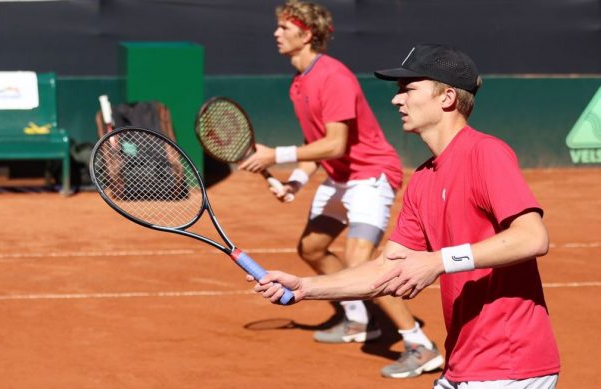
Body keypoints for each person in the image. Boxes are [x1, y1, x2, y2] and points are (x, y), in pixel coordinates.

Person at [249, 43, 561, 388]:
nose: (397, 100)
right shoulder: (424, 179)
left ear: (446, 99)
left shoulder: (485, 153)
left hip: (509, 367)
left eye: (409, 89)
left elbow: (533, 237)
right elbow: (386, 268)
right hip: (465, 364)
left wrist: (438, 261)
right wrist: (306, 287)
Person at [238, 0, 443, 378]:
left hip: (370, 175)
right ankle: (360, 319)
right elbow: (314, 142)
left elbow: (335, 144)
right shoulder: (299, 84)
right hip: (340, 177)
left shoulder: (332, 76)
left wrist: (274, 156)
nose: (276, 33)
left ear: (307, 33)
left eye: (285, 27)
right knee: (312, 248)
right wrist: (295, 182)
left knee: (360, 261)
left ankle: (419, 343)